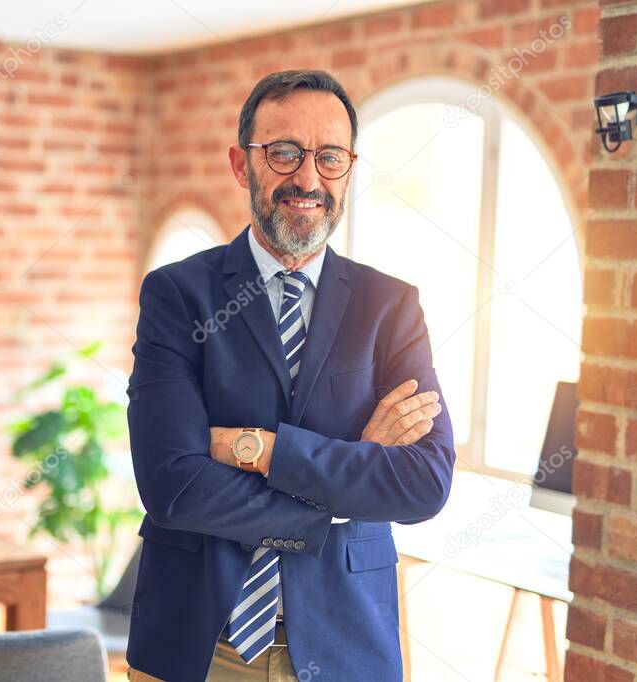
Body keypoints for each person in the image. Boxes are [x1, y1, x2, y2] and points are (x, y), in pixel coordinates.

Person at [125, 69, 456, 682]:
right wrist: (348, 480)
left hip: (347, 644)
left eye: (329, 158)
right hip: (199, 644)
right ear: (241, 163)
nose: (307, 178)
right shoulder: (177, 295)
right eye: (283, 153)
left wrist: (258, 449)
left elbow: (424, 483)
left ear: (349, 169)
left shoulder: (390, 307)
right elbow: (172, 485)